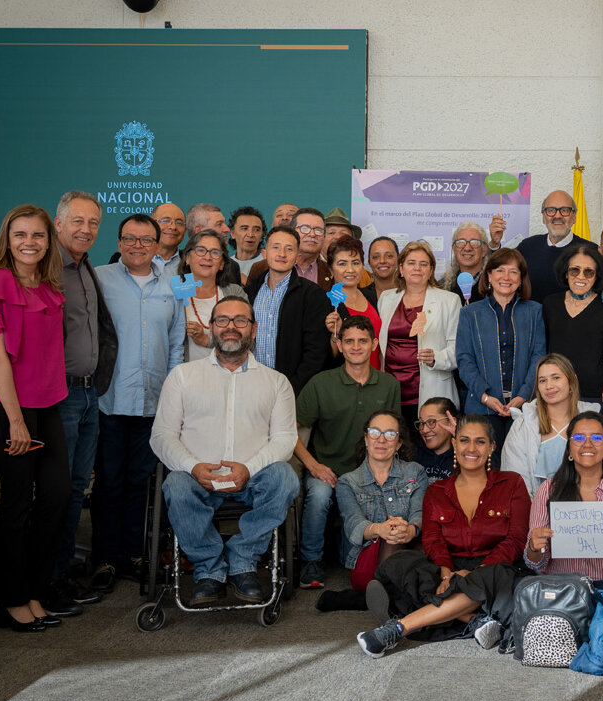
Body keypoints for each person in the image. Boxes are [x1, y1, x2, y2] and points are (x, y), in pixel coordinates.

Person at [149, 296, 300, 607]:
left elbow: (285, 439)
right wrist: (192, 467)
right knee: (175, 484)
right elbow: (162, 436)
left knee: (286, 477)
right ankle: (209, 570)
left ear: (253, 329)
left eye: (240, 320)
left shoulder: (276, 382)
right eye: (223, 320)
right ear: (211, 327)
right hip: (196, 479)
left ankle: (243, 560)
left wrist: (248, 468)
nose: (231, 327)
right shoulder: (182, 376)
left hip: (254, 480)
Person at [0, 204, 71, 632]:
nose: (29, 242)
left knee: (57, 496)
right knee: (17, 502)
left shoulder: (48, 283)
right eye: (20, 235)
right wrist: (15, 421)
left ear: (49, 241)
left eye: (37, 235)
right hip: (8, 403)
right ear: (7, 240)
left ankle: (34, 589)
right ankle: (9, 599)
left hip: (47, 401)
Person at [357, 415, 529, 656]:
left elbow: (516, 540)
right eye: (464, 440)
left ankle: (397, 628)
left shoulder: (512, 483)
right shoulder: (436, 491)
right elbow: (433, 540)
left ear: (491, 447)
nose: (471, 448)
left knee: (495, 576)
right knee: (399, 564)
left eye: (480, 442)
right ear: (455, 444)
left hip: (494, 567)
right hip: (450, 566)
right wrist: (447, 573)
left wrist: (474, 572)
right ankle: (473, 620)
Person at [87, 213, 185, 594]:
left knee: (140, 484)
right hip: (109, 399)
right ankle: (106, 557)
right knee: (108, 482)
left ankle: (134, 555)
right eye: (130, 238)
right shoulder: (99, 278)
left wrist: (174, 396)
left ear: (158, 245)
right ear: (119, 242)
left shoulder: (175, 285)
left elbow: (176, 344)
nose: (138, 246)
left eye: (146, 240)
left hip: (154, 403)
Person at [294, 315, 401, 588]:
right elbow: (289, 432)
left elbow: (391, 435)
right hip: (327, 468)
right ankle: (310, 562)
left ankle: (357, 559)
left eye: (363, 341)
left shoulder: (389, 384)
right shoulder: (320, 383)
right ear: (339, 345)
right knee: (318, 495)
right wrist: (313, 466)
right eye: (349, 341)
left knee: (351, 561)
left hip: (368, 472)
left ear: (374, 344)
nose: (356, 347)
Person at [524, 412, 603, 599]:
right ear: (569, 449)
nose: (588, 444)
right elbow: (535, 564)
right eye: (579, 437)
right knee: (526, 586)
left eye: (597, 437)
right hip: (564, 589)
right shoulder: (548, 490)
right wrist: (534, 548)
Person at [457, 248, 546, 450]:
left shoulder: (535, 311)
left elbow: (539, 357)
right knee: (486, 471)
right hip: (481, 408)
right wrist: (486, 397)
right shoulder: (469, 313)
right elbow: (464, 360)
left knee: (521, 472)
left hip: (525, 407)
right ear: (489, 275)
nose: (506, 277)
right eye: (500, 270)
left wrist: (523, 396)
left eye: (513, 272)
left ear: (521, 278)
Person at [376, 241, 461, 435]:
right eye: (411, 262)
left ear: (431, 270)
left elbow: (458, 349)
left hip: (430, 388)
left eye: (423, 264)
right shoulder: (386, 298)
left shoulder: (448, 301)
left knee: (428, 446)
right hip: (391, 389)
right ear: (401, 268)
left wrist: (436, 358)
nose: (417, 268)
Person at [244, 225, 332, 394]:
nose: (282, 254)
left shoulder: (313, 295)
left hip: (291, 390)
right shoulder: (249, 292)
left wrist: (291, 388)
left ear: (297, 257)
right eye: (275, 247)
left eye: (289, 249)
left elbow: (316, 352)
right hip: (250, 387)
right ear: (264, 253)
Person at [338, 409, 430, 570]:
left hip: (409, 545)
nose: (381, 439)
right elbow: (354, 524)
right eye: (374, 432)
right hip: (367, 557)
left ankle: (388, 592)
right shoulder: (347, 482)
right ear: (366, 439)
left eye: (390, 434)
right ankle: (389, 589)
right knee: (392, 541)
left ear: (399, 443)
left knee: (419, 550)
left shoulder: (416, 472)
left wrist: (411, 529)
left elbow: (420, 512)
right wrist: (381, 529)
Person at [502, 353, 598, 495]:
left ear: (572, 381)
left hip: (584, 509)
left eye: (556, 378)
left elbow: (602, 474)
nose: (549, 386)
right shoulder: (523, 426)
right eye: (542, 380)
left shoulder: (593, 423)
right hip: (535, 510)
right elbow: (515, 482)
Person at [542, 245, 603, 420]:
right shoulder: (550, 304)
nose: (581, 277)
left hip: (595, 394)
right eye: (574, 270)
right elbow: (542, 349)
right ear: (565, 272)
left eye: (588, 272)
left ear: (597, 276)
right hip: (554, 394)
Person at [498, 190, 599, 304]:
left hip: (572, 321)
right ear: (543, 217)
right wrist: (495, 244)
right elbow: (500, 274)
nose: (557, 215)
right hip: (531, 320)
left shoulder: (591, 251)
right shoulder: (527, 246)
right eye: (551, 210)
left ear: (574, 216)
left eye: (564, 210)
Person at [178, 228, 247, 362]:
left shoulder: (234, 292)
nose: (207, 257)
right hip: (186, 375)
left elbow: (245, 336)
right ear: (187, 258)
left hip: (228, 374)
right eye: (200, 250)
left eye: (215, 252)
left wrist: (206, 340)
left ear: (221, 264)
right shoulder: (174, 291)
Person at [323, 235, 381, 369]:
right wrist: (335, 334)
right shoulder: (325, 303)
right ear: (331, 270)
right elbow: (325, 358)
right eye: (342, 263)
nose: (350, 269)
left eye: (355, 262)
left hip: (377, 379)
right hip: (346, 383)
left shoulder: (372, 296)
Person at [441, 222, 489, 305]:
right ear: (454, 249)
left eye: (474, 242)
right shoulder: (443, 286)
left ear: (484, 250)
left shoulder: (495, 285)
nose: (467, 248)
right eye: (461, 242)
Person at [415, 396, 458, 481]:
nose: (424, 430)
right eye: (421, 423)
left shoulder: (466, 457)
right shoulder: (413, 456)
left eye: (431, 422)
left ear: (450, 422)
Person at [228, 205, 265, 270]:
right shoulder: (226, 265)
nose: (250, 234)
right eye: (244, 228)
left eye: (256, 230)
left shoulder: (270, 262)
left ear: (262, 236)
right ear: (232, 233)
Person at [152, 202, 186, 269]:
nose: (173, 227)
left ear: (185, 230)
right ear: (151, 225)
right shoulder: (134, 260)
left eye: (179, 223)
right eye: (165, 221)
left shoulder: (191, 265)